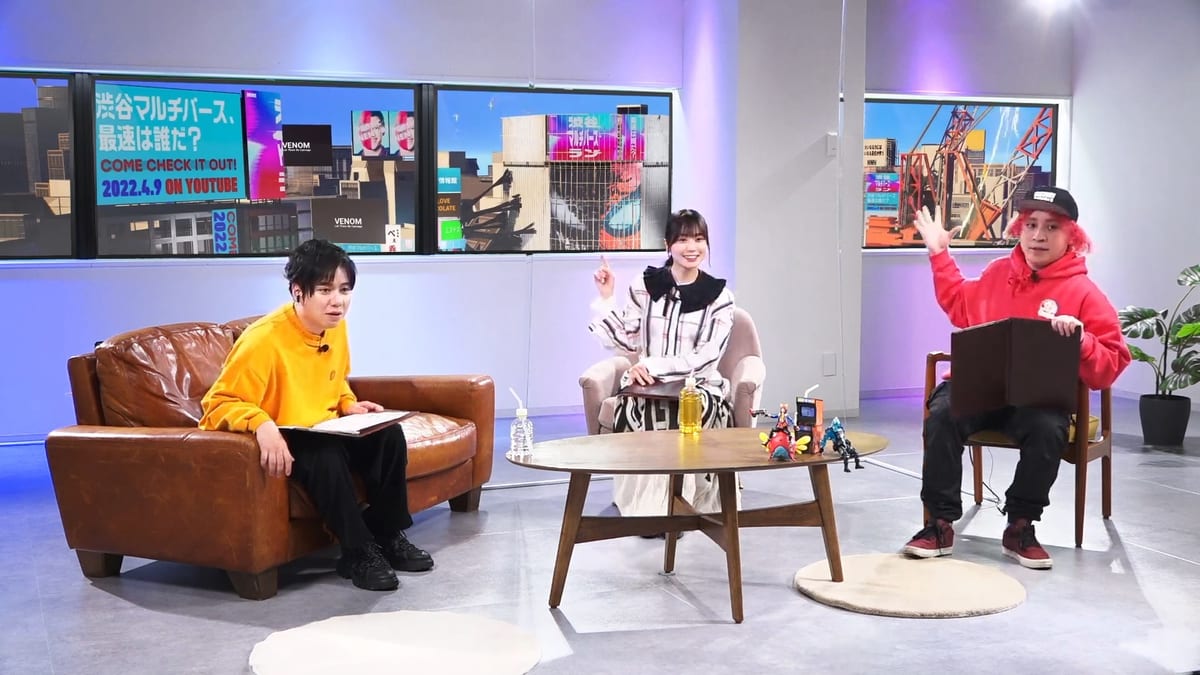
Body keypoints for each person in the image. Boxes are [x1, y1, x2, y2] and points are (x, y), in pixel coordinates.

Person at [902, 187, 1130, 569]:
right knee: (942, 414)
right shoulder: (997, 273)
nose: (1038, 235)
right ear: (1019, 229)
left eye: (1052, 227)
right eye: (1031, 225)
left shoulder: (1084, 293)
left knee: (1048, 429)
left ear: (1072, 237)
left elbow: (1111, 362)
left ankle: (1020, 526)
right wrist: (939, 253)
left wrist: (1082, 341)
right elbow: (960, 303)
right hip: (981, 388)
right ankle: (939, 524)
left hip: (1038, 401)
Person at [199, 239, 433, 591]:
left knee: (388, 435)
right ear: (298, 291)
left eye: (344, 290)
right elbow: (217, 403)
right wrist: (261, 424)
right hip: (291, 436)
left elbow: (336, 383)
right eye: (325, 290)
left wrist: (349, 404)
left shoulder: (334, 328)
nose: (337, 301)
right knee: (323, 453)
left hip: (328, 428)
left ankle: (388, 534)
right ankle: (357, 552)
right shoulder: (262, 341)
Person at [588, 208, 738, 520]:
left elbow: (707, 358)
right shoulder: (645, 285)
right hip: (647, 387)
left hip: (699, 387)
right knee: (645, 413)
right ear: (667, 244)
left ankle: (683, 508)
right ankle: (651, 512)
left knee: (685, 414)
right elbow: (629, 339)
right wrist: (606, 298)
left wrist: (652, 366)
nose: (692, 247)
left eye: (699, 239)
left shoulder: (720, 297)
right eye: (682, 239)